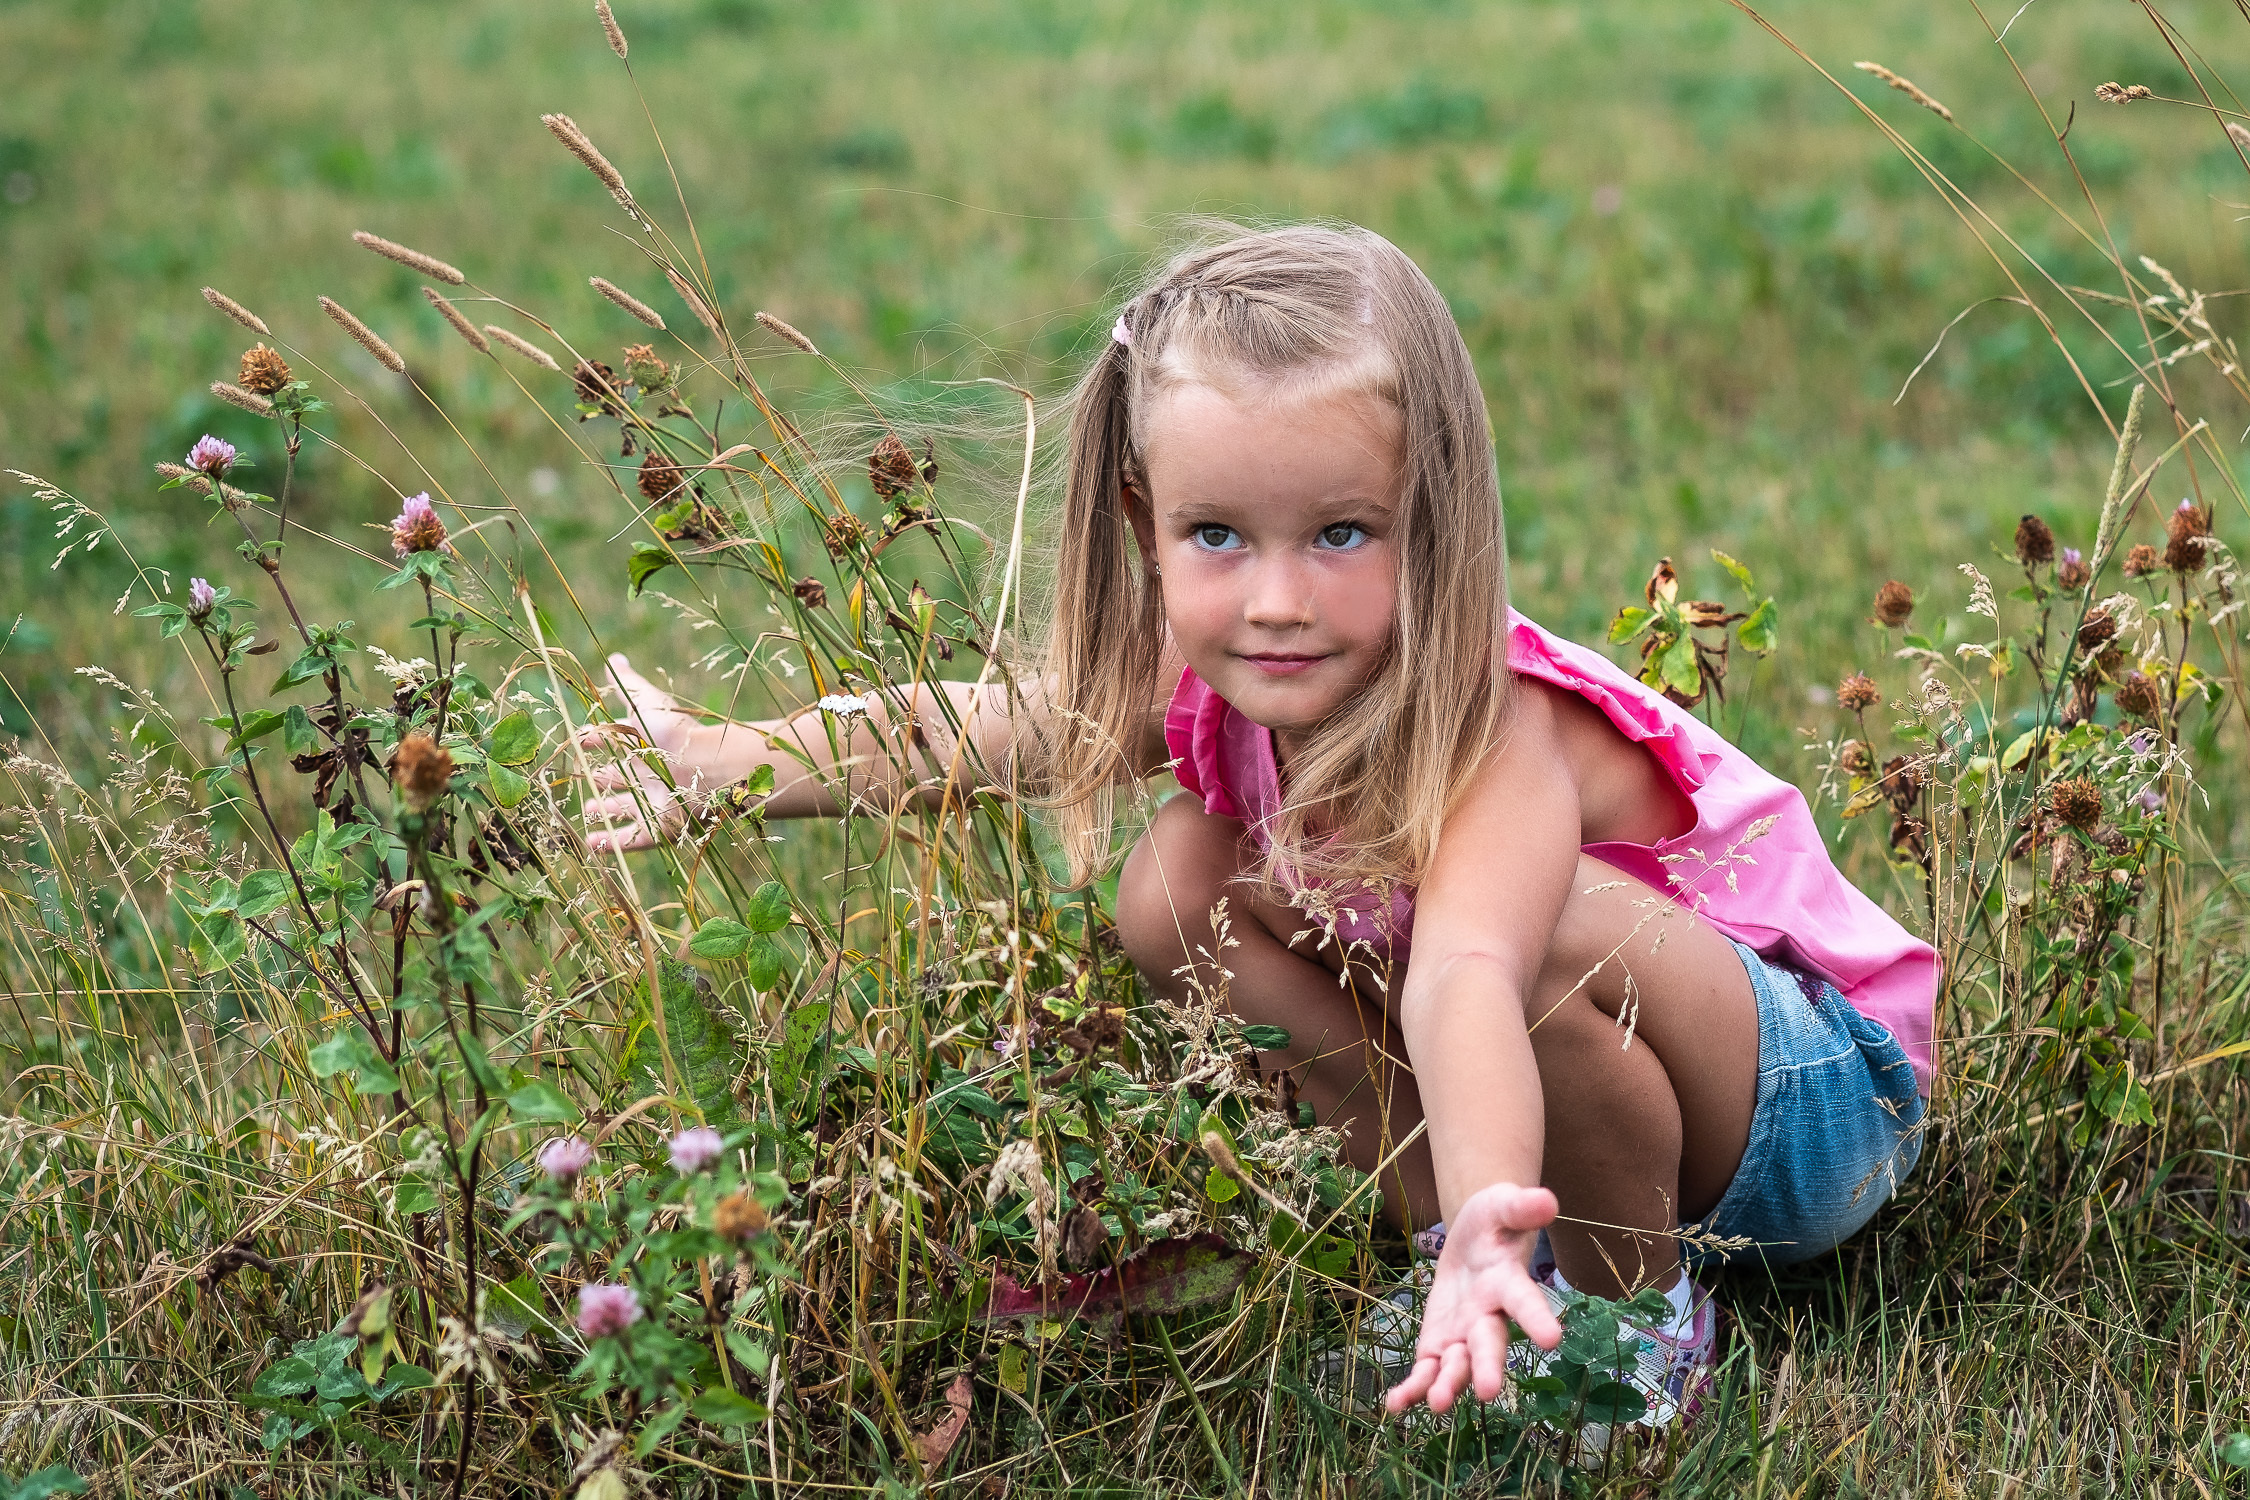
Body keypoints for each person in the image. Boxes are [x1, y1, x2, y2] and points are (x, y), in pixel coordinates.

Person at [577, 223, 1936, 1424]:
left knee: (1533, 934)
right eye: (1218, 535)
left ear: (1434, 517)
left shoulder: (1497, 730)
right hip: (1567, 1102)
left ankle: (1631, 1327)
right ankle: (1476, 1268)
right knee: (1176, 877)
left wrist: (1485, 1197)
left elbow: (1467, 970)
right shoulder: (1227, 686)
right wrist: (722, 764)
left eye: (1340, 535)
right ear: (1141, 520)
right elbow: (976, 728)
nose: (1273, 599)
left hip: (1807, 1115)